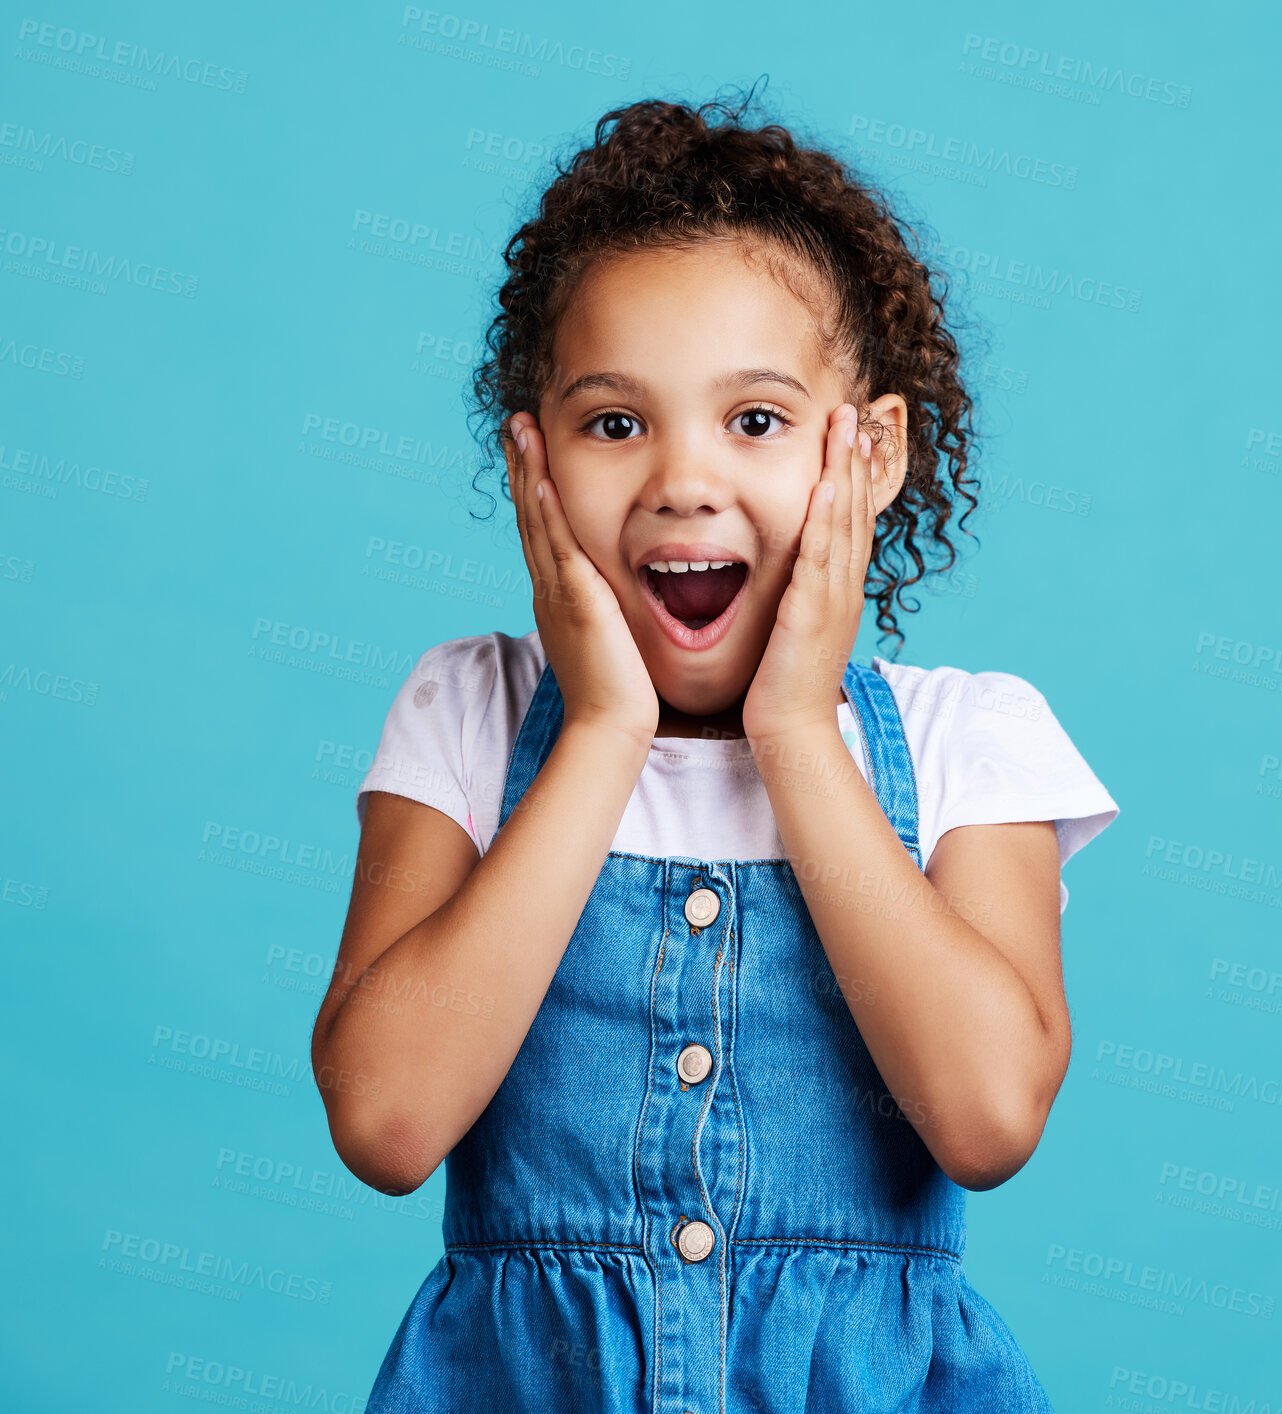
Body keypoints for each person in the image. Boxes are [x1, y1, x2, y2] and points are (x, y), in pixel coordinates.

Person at [311, 85, 1120, 1413]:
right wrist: (603, 731)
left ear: (866, 454)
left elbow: (985, 1118)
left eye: (753, 420)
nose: (683, 478)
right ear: (534, 461)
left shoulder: (969, 738)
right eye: (614, 423)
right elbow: (386, 1123)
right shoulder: (464, 712)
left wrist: (795, 730)